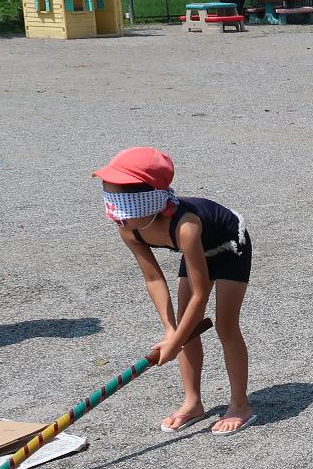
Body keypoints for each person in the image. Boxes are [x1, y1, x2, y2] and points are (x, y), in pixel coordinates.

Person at [91, 146, 255, 435]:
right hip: (197, 253)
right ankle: (193, 402)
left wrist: (174, 343)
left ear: (144, 200)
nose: (112, 207)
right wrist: (171, 331)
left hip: (229, 245)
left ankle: (240, 404)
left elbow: (200, 293)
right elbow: (153, 278)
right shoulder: (128, 227)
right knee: (183, 325)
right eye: (108, 195)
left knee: (226, 326)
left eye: (118, 198)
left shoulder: (186, 226)